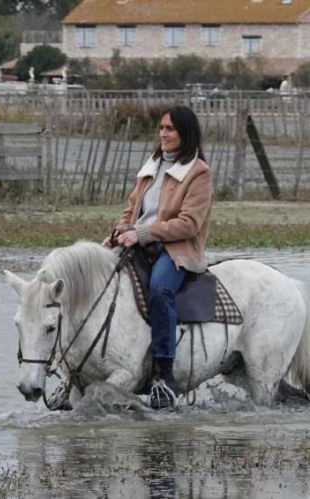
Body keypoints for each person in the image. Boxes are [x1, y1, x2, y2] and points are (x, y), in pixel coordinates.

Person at [109, 105, 213, 410]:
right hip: (139, 240)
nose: (163, 134)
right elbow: (131, 210)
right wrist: (118, 232)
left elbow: (188, 224)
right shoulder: (152, 165)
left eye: (170, 129)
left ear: (185, 134)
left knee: (160, 290)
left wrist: (143, 234)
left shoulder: (199, 173)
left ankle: (163, 376)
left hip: (177, 248)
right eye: (161, 128)